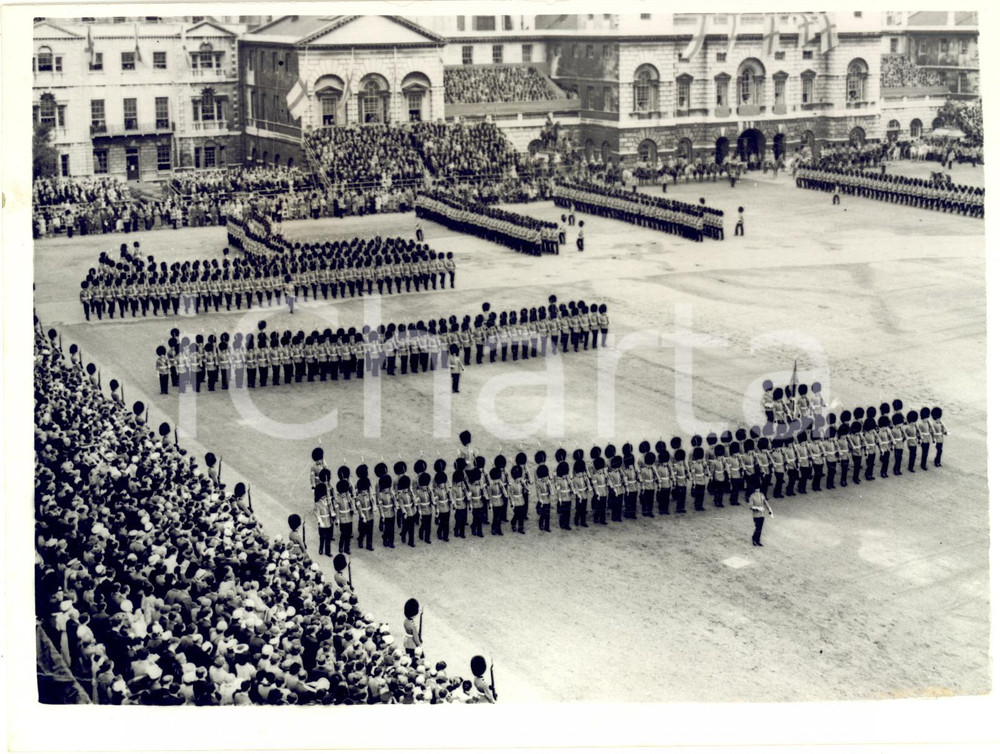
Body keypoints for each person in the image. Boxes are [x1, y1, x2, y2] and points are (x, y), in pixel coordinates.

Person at [314, 482, 334, 557]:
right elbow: (317, 514)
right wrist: (320, 521)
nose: (324, 496)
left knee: (328, 538)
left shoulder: (328, 502)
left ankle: (328, 551)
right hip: (322, 522)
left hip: (329, 522)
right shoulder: (317, 504)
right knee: (322, 537)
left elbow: (331, 510)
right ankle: (321, 548)